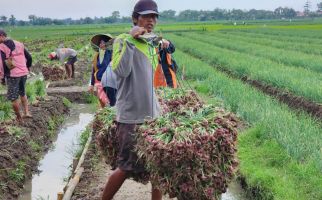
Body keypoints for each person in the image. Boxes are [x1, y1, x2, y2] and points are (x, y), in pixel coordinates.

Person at [101, 0, 162, 199]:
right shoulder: (122, 40)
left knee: (157, 168)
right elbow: (121, 70)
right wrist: (130, 41)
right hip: (131, 116)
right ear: (135, 19)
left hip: (153, 116)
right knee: (126, 167)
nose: (150, 20)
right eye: (146, 16)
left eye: (154, 16)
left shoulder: (151, 42)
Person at [0, 29, 32, 122]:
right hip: (23, 73)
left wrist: (1, 77)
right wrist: (28, 67)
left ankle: (19, 118)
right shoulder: (19, 43)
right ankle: (26, 113)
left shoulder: (2, 46)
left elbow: (1, 64)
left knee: (13, 98)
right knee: (22, 92)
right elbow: (29, 57)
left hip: (13, 75)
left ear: (2, 36)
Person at [89, 35, 113, 108]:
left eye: (103, 43)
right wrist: (91, 84)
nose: (101, 45)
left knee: (110, 101)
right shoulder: (97, 56)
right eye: (100, 43)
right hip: (99, 80)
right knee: (101, 99)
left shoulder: (111, 54)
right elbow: (94, 70)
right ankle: (104, 113)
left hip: (109, 81)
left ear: (107, 44)